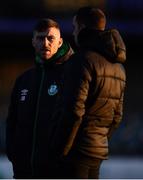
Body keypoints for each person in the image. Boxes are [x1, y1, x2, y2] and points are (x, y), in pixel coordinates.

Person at [50, 7, 126, 179]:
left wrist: (59, 150)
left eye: (74, 27)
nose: (74, 32)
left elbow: (73, 112)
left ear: (82, 27)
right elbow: (117, 116)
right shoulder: (118, 67)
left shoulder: (81, 60)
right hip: (97, 152)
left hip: (75, 153)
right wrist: (98, 141)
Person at [6, 18, 74, 178]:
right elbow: (12, 120)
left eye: (51, 38)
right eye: (40, 38)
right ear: (33, 42)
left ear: (60, 42)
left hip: (57, 172)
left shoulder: (71, 76)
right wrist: (13, 153)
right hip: (24, 170)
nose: (45, 42)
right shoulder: (24, 79)